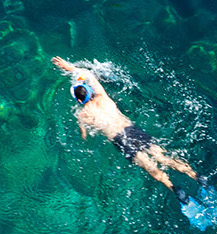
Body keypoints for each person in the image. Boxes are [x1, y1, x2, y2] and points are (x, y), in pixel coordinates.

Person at [51, 56, 199, 203]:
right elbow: (87, 74)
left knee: (150, 167)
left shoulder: (82, 115)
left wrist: (84, 134)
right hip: (131, 130)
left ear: (78, 101)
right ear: (90, 91)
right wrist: (68, 67)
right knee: (163, 157)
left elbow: (85, 137)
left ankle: (174, 188)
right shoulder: (103, 97)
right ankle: (197, 177)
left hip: (119, 140)